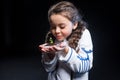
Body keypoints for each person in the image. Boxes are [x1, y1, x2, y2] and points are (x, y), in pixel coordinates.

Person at [38, 1, 93, 80]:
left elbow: (85, 66)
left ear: (74, 24)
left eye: (62, 26)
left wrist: (66, 50)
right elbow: (48, 69)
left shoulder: (84, 34)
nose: (56, 31)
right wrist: (50, 55)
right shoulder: (51, 37)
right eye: (53, 27)